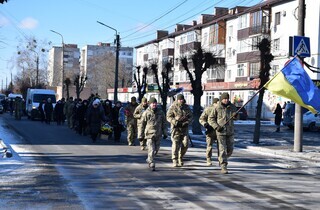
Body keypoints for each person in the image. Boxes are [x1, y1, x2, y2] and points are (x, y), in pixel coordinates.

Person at [208, 92, 237, 174]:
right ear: (221, 99)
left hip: (230, 131)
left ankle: (221, 159)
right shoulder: (217, 108)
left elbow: (236, 118)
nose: (226, 100)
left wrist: (236, 115)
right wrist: (216, 126)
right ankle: (223, 165)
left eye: (227, 98)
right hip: (220, 132)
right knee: (222, 149)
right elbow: (211, 119)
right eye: (224, 99)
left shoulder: (232, 107)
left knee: (230, 150)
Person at [141, 97, 167, 171]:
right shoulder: (146, 112)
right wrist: (140, 135)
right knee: (151, 149)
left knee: (156, 150)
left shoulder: (160, 112)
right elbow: (142, 124)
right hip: (149, 134)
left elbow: (164, 123)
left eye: (155, 103)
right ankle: (152, 163)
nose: (154, 105)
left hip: (158, 134)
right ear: (150, 104)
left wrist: (165, 133)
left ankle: (149, 158)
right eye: (153, 103)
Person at [166, 94, 193, 167]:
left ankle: (180, 157)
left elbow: (191, 117)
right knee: (175, 144)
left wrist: (187, 122)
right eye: (180, 99)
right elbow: (168, 117)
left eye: (182, 99)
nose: (181, 101)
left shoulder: (186, 107)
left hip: (184, 129)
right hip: (176, 129)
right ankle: (175, 160)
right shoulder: (173, 107)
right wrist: (175, 122)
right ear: (177, 100)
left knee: (186, 144)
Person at [199, 98, 219, 166]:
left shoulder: (221, 109)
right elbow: (201, 119)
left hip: (219, 130)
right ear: (214, 103)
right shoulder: (208, 109)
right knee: (209, 146)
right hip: (210, 130)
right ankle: (208, 158)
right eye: (217, 103)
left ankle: (221, 159)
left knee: (221, 146)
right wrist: (205, 124)